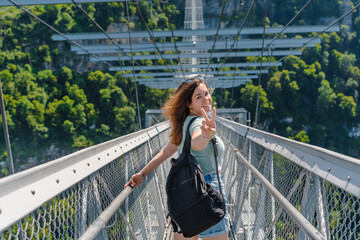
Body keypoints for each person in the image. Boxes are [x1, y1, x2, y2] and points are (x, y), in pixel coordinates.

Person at [124, 75, 230, 240]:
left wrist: (142, 174)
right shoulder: (197, 123)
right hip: (208, 191)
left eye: (206, 94)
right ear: (188, 103)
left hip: (184, 193)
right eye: (198, 97)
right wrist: (205, 135)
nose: (206, 99)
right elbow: (197, 142)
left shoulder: (183, 124)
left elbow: (164, 153)